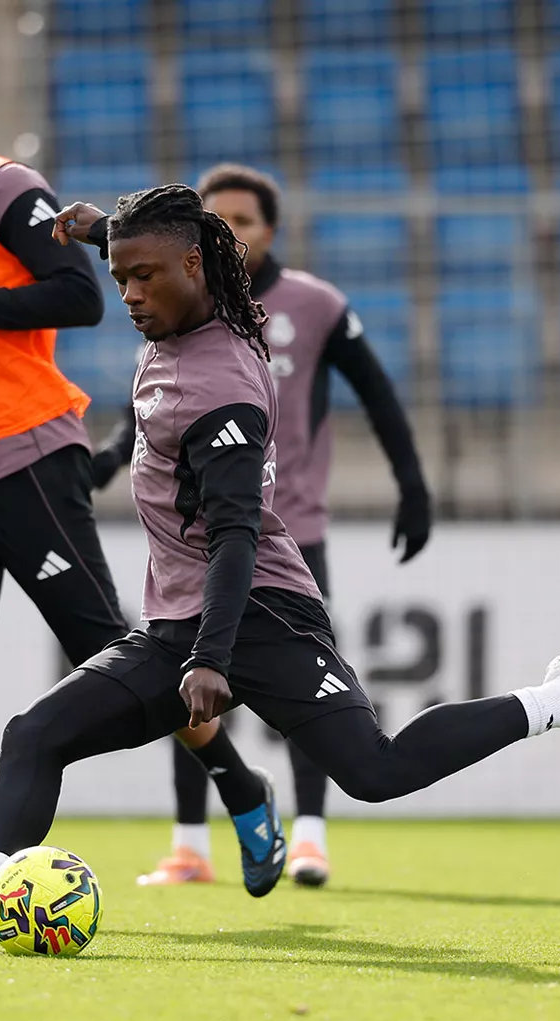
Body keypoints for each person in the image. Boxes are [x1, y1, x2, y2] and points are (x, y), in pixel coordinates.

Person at [0, 184, 560, 952]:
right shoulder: (185, 301)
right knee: (35, 735)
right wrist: (99, 231)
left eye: (143, 277)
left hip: (263, 614)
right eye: (120, 277)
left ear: (194, 267)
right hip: (181, 623)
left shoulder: (223, 387)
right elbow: (161, 248)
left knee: (376, 771)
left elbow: (236, 534)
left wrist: (211, 657)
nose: (129, 295)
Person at [0, 42, 281, 908]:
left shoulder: (4, 186)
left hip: (27, 458)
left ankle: (239, 784)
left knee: (110, 654)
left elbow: (79, 295)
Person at [87, 165, 431, 889]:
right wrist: (108, 460)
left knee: (308, 695)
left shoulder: (313, 304)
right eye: (221, 220)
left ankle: (309, 835)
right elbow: (147, 414)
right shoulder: (174, 308)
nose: (232, 233)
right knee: (183, 688)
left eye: (244, 221)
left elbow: (378, 394)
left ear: (270, 230)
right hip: (199, 541)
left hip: (285, 533)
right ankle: (190, 842)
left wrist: (412, 484)